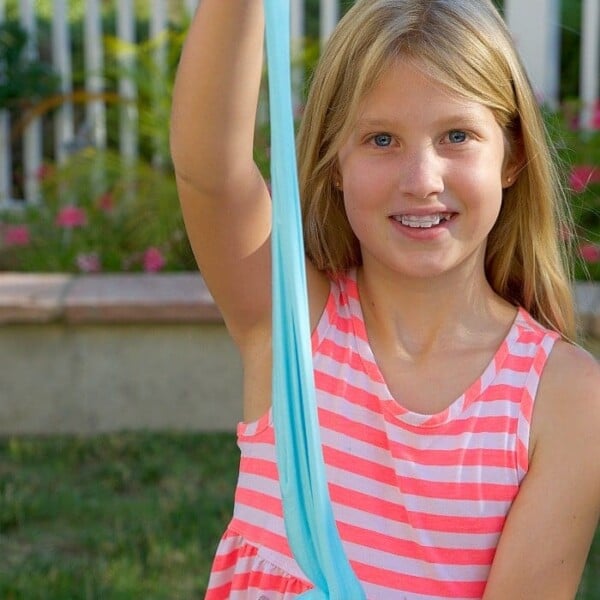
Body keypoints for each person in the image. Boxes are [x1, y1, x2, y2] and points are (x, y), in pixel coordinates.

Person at [170, 0, 600, 598]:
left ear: (513, 156)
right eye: (381, 139)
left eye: (457, 135)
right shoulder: (293, 324)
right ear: (336, 163)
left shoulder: (567, 399)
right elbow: (209, 171)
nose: (422, 178)